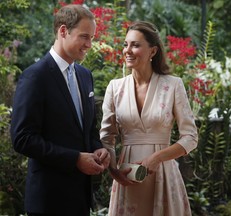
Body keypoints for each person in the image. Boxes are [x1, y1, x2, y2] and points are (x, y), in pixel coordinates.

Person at [10, 4, 110, 216]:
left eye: (91, 37)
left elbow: (87, 128)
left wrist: (97, 148)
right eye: (84, 36)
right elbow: (22, 138)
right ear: (63, 31)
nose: (89, 44)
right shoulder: (35, 77)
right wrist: (75, 158)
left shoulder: (85, 76)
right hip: (48, 201)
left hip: (81, 199)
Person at [100, 21, 198, 216]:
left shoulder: (173, 85)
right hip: (127, 178)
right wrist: (113, 170)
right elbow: (106, 138)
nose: (127, 50)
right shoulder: (115, 87)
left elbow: (191, 138)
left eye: (135, 45)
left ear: (152, 52)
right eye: (126, 44)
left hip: (163, 175)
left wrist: (156, 158)